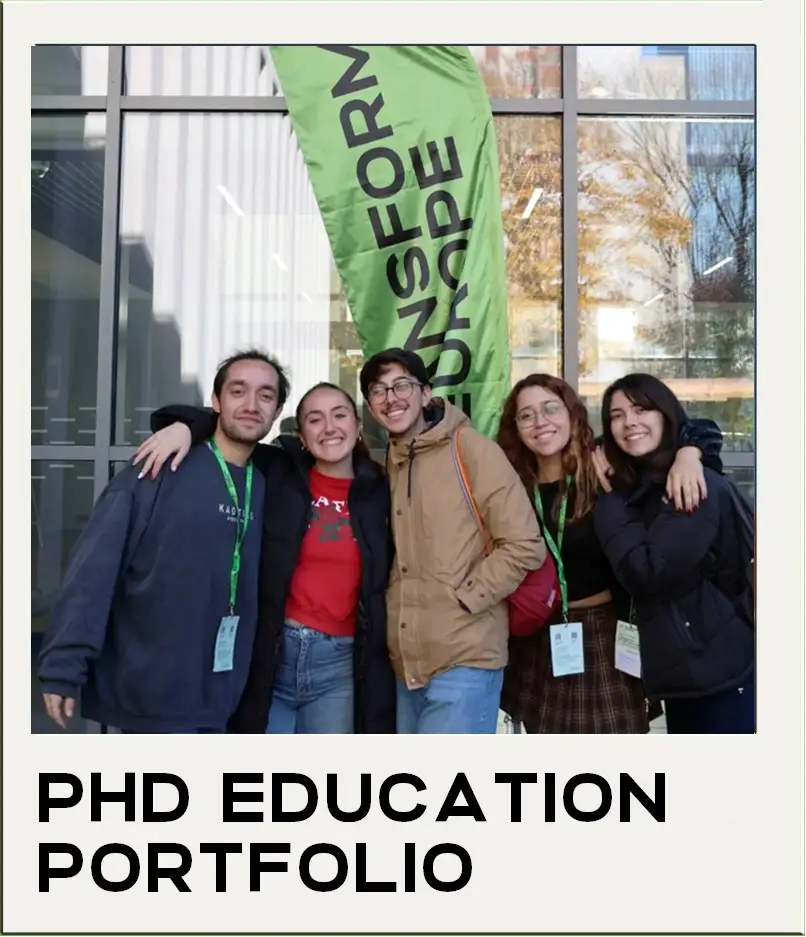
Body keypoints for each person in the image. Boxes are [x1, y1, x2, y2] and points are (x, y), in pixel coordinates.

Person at [38, 350, 284, 733]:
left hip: (222, 699)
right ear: (216, 402)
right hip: (151, 695)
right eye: (238, 391)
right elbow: (94, 569)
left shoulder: (269, 479)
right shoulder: (159, 466)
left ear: (277, 408)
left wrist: (190, 425)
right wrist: (63, 665)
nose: (252, 405)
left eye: (265, 395)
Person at [132, 383, 396, 734]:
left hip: (339, 666)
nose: (329, 427)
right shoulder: (279, 473)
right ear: (301, 435)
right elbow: (235, 428)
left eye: (339, 415)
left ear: (358, 424)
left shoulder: (381, 491)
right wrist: (185, 427)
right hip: (271, 655)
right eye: (315, 420)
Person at [496, 373, 724, 734]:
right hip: (539, 634)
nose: (540, 422)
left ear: (572, 414)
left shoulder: (605, 466)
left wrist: (690, 454)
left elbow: (692, 427)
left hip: (603, 632)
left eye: (551, 408)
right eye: (526, 415)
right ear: (516, 427)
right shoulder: (508, 483)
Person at [358, 348, 547, 734]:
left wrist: (467, 599)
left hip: (465, 658)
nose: (391, 398)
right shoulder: (389, 465)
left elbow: (525, 543)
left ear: (426, 393)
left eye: (402, 385)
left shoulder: (470, 449)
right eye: (378, 390)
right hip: (407, 664)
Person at [593, 373, 754, 734]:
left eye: (641, 409)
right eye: (616, 415)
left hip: (721, 672)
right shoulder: (649, 480)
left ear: (666, 414)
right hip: (688, 675)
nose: (629, 421)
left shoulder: (692, 484)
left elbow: (646, 571)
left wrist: (610, 501)